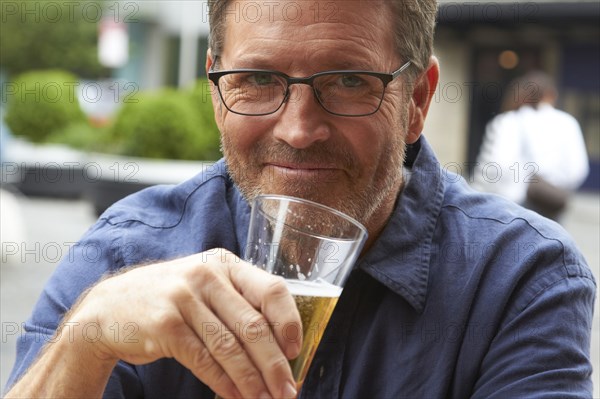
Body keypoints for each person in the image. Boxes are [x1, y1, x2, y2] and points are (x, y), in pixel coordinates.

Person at [5, 1, 596, 398]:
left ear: (417, 99)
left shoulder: (519, 277)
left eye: (347, 81)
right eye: (258, 79)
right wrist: (86, 339)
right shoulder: (128, 249)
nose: (297, 129)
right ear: (217, 90)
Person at [472, 71, 589, 220]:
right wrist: (551, 186)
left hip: (510, 206)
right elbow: (577, 170)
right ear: (550, 94)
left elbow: (495, 167)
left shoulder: (506, 122)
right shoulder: (567, 123)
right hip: (551, 206)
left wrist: (478, 198)